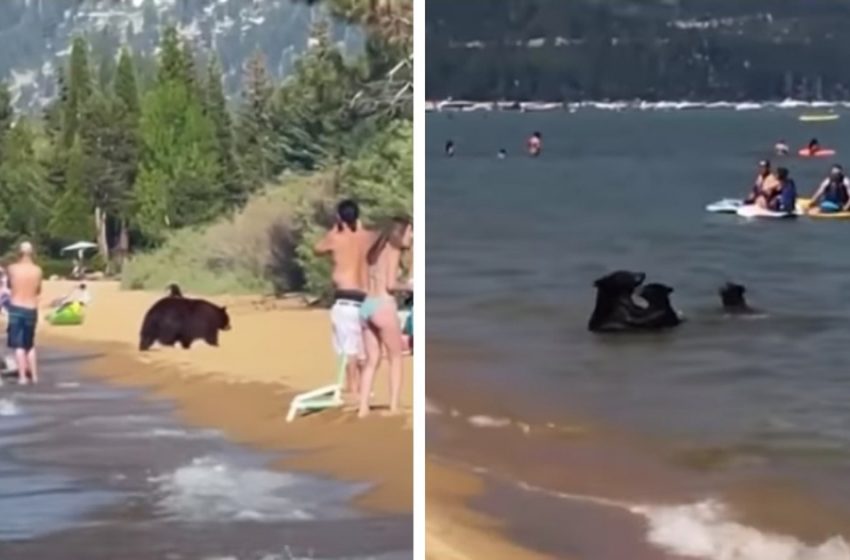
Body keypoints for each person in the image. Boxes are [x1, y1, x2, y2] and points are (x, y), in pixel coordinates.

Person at [314, 200, 374, 400]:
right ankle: (363, 388)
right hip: (369, 299)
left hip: (346, 299)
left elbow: (317, 249)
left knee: (348, 349)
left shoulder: (336, 238)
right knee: (364, 346)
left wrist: (333, 231)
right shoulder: (369, 238)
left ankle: (354, 390)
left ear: (339, 218)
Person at [357, 216, 413, 418]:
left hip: (367, 304)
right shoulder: (393, 250)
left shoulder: (374, 251)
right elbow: (390, 285)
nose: (412, 236)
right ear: (400, 232)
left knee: (372, 359)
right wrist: (410, 286)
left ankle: (363, 407)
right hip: (383, 303)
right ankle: (394, 406)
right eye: (410, 231)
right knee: (396, 357)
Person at [7, 241, 43, 385]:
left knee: (19, 345)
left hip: (16, 306)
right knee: (30, 344)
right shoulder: (38, 270)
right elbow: (38, 290)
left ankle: (23, 377)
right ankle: (34, 376)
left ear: (18, 253)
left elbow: (10, 286)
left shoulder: (12, 268)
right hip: (31, 307)